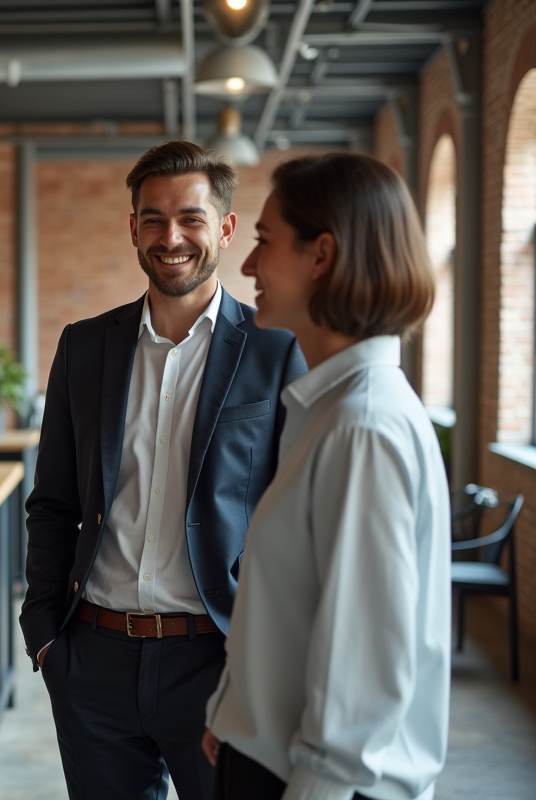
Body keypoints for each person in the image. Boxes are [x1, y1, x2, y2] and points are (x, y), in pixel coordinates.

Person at [20, 139, 307, 800]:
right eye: (152, 218)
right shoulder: (84, 346)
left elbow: (289, 522)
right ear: (132, 228)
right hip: (92, 658)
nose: (170, 236)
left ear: (227, 229)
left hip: (219, 658)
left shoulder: (276, 350)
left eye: (191, 219)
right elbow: (54, 499)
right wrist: (44, 635)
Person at [203, 153, 449, 800]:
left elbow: (364, 669)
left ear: (322, 255)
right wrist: (234, 713)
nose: (249, 266)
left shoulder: (361, 427)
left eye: (264, 241)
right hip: (270, 756)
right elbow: (299, 605)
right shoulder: (330, 410)